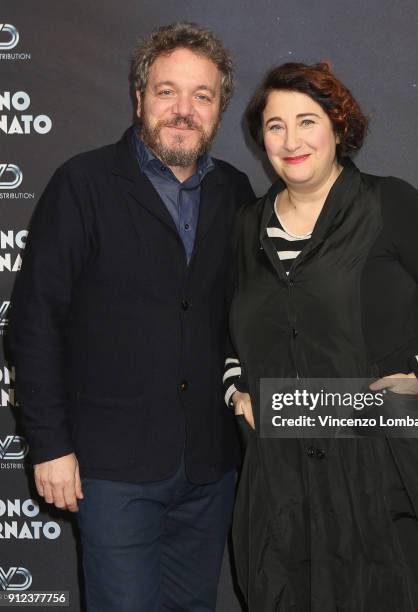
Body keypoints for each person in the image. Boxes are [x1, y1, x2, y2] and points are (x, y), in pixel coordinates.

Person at [224, 62, 418, 611]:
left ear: (338, 128)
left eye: (306, 121)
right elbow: (231, 324)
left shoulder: (388, 204)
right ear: (261, 140)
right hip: (284, 480)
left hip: (385, 467)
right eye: (275, 126)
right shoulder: (246, 225)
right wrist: (237, 390)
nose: (291, 139)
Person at [9, 22, 255, 612]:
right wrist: (49, 445)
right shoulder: (83, 184)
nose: (184, 110)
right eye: (168, 91)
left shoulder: (237, 193)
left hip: (210, 466)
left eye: (203, 95)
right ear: (139, 97)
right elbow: (34, 322)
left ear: (220, 108)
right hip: (110, 467)